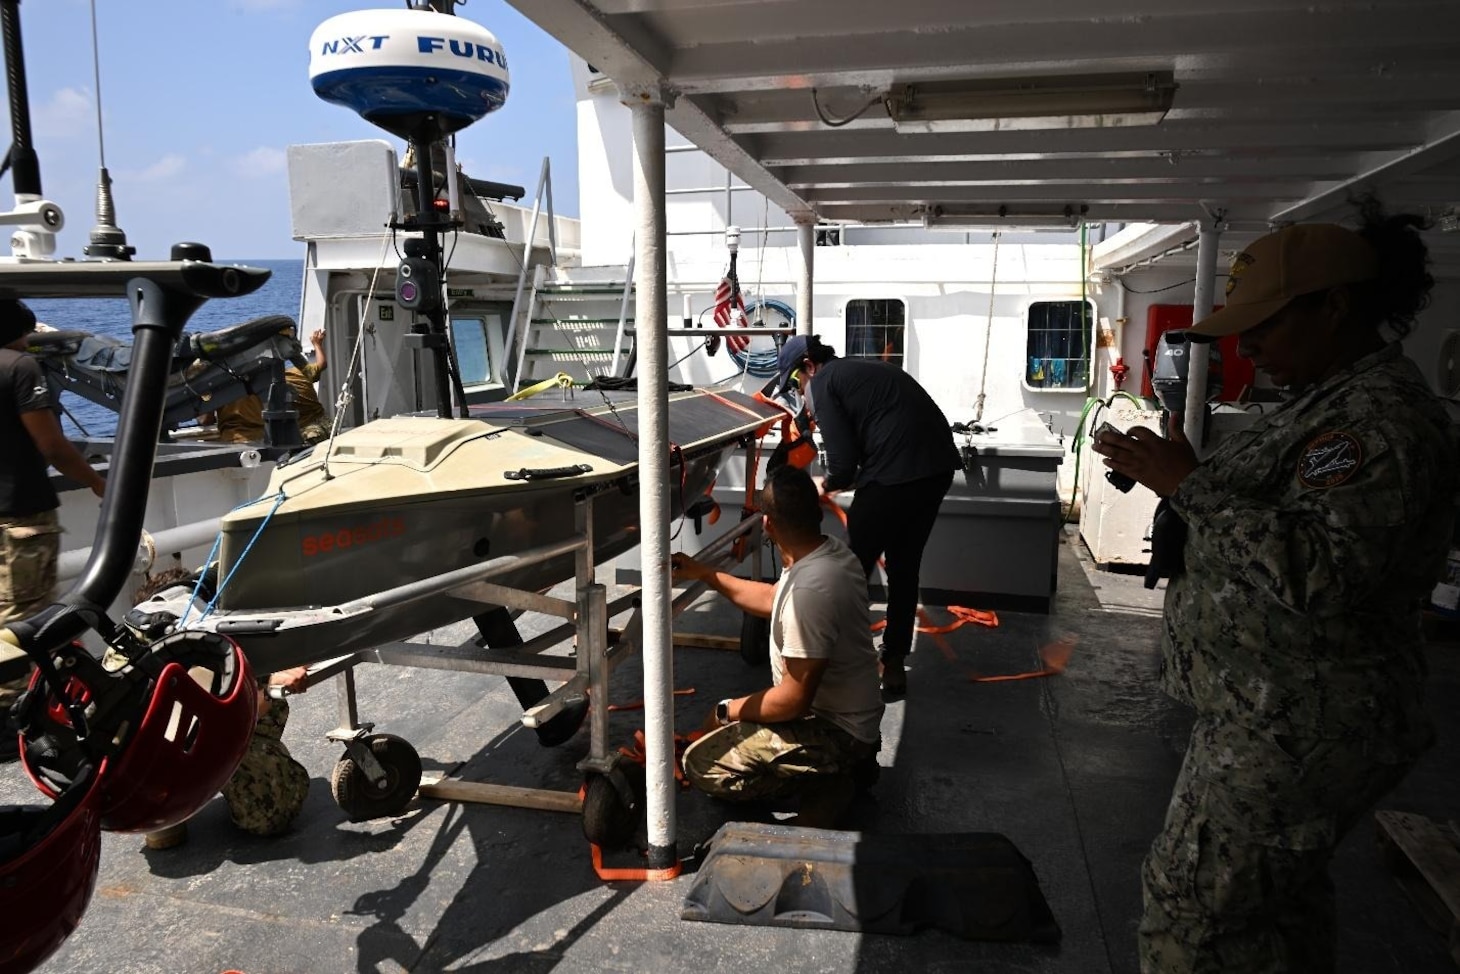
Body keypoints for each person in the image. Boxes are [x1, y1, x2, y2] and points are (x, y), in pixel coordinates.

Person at [1093, 203, 1459, 973]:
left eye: (1265, 325)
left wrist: (1190, 486)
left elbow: (1324, 572)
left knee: (1194, 911)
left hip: (1301, 724)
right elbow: (1273, 516)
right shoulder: (1325, 405)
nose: (1247, 346)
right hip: (1272, 708)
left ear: (1335, 308)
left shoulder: (1377, 422)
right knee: (1273, 913)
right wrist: (1175, 471)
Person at [671, 465, 884, 828]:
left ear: (767, 525)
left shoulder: (809, 592)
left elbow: (793, 699)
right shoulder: (829, 553)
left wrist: (726, 710)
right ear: (816, 513)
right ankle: (844, 768)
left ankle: (825, 781)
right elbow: (774, 597)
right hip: (853, 718)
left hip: (835, 731)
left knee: (701, 764)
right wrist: (705, 573)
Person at [774, 334, 962, 696]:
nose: (800, 394)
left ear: (809, 367)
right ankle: (892, 662)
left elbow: (844, 466)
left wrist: (820, 485)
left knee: (847, 570)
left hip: (895, 474)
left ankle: (828, 663)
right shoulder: (859, 370)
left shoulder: (826, 382)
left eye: (797, 384)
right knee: (904, 568)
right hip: (935, 470)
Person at [124, 566, 312, 847]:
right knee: (275, 808)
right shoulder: (194, 646)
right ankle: (174, 800)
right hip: (188, 748)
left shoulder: (126, 653)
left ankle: (162, 815)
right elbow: (236, 715)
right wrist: (272, 679)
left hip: (138, 779)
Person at [1, 299, 107, 757]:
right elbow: (52, 445)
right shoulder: (22, 368)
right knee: (21, 621)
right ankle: (11, 726)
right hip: (22, 514)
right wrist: (98, 482)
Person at [204, 327, 331, 445]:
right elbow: (320, 365)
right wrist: (317, 344)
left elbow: (206, 421)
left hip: (243, 441)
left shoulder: (223, 391)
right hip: (312, 430)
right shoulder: (297, 375)